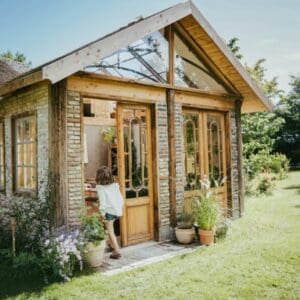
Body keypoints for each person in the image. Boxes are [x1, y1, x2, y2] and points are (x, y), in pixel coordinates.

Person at [95, 166, 124, 259]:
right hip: (117, 211)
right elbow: (120, 199)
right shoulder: (115, 185)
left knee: (110, 231)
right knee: (111, 231)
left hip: (108, 212)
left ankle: (117, 251)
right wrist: (118, 208)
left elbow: (103, 203)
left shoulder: (100, 188)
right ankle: (112, 246)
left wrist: (102, 214)